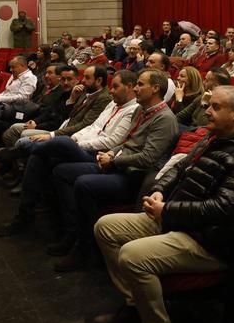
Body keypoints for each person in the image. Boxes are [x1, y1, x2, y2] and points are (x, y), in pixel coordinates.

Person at [91, 85, 234, 323]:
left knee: (132, 255)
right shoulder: (213, 139)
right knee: (106, 227)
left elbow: (224, 209)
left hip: (209, 241)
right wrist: (161, 190)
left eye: (215, 106)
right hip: (178, 220)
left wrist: (168, 210)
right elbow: (179, 169)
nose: (206, 110)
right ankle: (136, 304)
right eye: (208, 105)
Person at [49, 70, 180, 271]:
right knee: (61, 171)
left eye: (140, 84)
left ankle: (84, 249)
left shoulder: (164, 118)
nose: (135, 88)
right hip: (119, 165)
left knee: (84, 184)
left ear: (155, 88)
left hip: (134, 176)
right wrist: (111, 153)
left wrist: (115, 161)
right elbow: (127, 143)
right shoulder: (141, 110)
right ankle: (72, 231)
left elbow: (148, 158)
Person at [0, 69, 139, 237]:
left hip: (98, 154)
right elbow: (93, 127)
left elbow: (111, 142)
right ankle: (24, 217)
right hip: (82, 144)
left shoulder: (133, 110)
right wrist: (76, 139)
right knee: (39, 158)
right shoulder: (113, 103)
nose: (111, 90)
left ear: (129, 87)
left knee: (61, 142)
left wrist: (76, 143)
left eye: (115, 86)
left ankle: (19, 150)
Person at [0, 65, 108, 180]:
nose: (83, 81)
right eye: (63, 79)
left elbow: (79, 123)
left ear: (98, 80)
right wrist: (37, 122)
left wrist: (50, 133)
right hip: (59, 127)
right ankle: (15, 167)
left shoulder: (97, 96)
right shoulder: (81, 93)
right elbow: (55, 113)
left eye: (87, 78)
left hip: (68, 134)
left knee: (24, 137)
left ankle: (16, 162)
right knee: (14, 130)